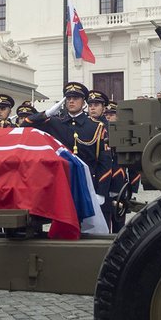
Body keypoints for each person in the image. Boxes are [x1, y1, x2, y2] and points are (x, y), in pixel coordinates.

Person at [26, 82, 110, 226]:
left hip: (86, 185)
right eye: (68, 98)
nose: (71, 101)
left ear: (84, 102)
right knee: (61, 228)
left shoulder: (96, 126)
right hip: (60, 184)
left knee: (87, 231)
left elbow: (104, 161)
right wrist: (45, 114)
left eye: (76, 98)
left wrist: (101, 191)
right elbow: (25, 125)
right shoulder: (53, 123)